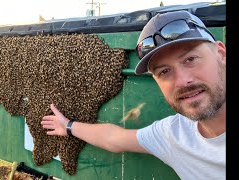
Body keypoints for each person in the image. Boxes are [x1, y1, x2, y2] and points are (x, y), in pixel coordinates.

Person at [41, 10, 226, 180]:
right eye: (164, 71)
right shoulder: (174, 135)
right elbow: (114, 138)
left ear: (221, 54)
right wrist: (68, 126)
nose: (182, 81)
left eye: (190, 59)